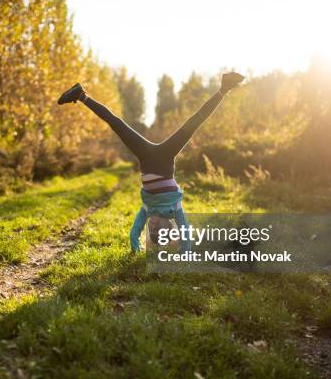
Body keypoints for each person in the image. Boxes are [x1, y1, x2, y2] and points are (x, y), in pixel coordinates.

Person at [57, 72, 245, 252]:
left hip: (146, 157)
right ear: (170, 226)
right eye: (159, 229)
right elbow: (186, 232)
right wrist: (185, 251)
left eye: (151, 230)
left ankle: (81, 95)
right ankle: (224, 89)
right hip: (165, 157)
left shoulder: (147, 210)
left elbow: (134, 233)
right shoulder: (175, 209)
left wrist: (135, 246)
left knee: (117, 124)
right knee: (193, 123)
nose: (153, 227)